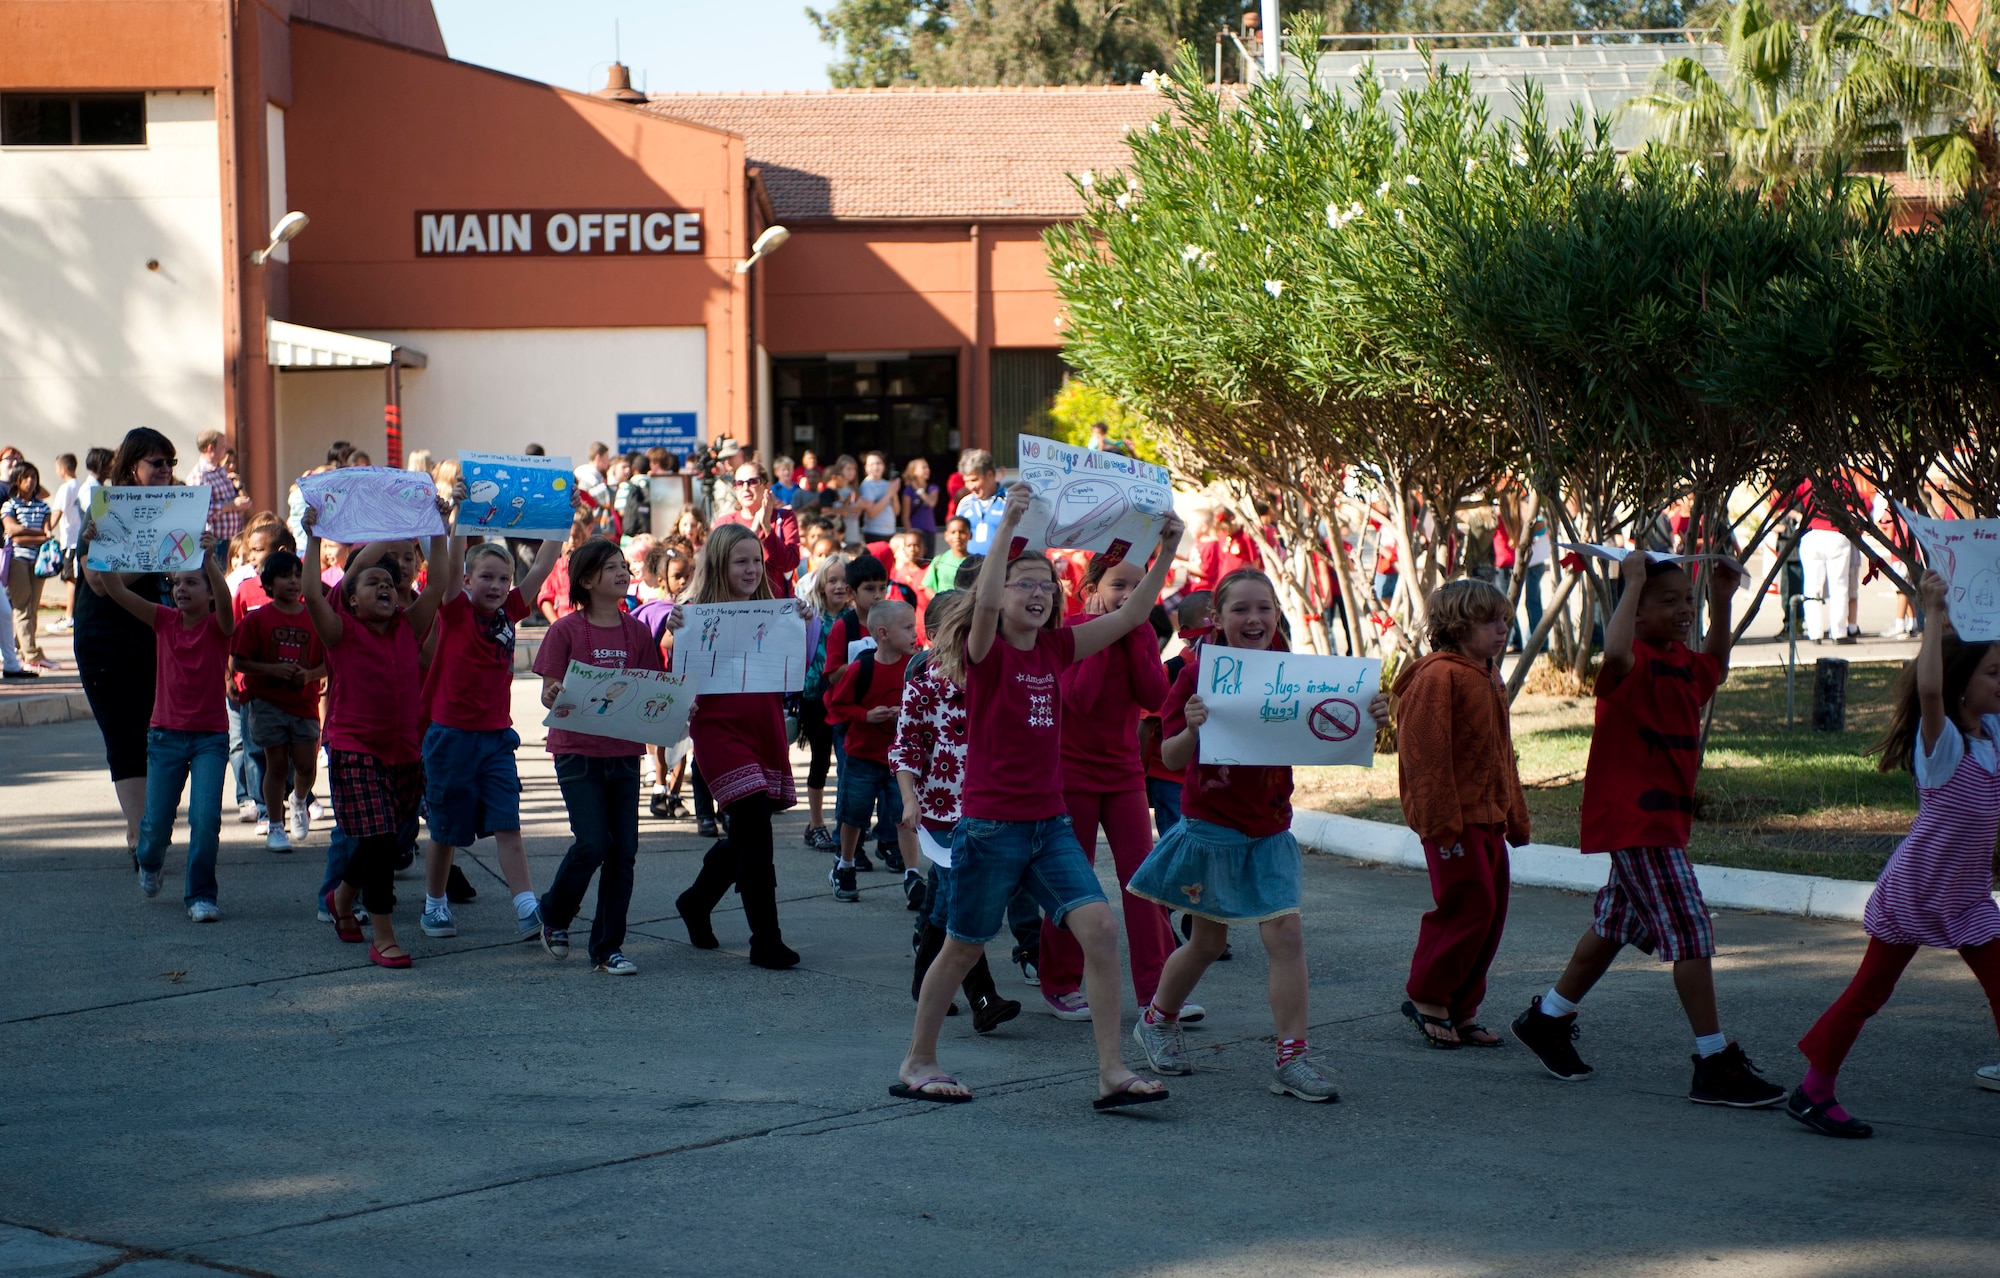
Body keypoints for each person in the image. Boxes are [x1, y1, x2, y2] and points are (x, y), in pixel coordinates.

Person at [892, 482, 1181, 1107]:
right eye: (1026, 582)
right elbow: (987, 602)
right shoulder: (986, 651)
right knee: (964, 946)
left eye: (1047, 584)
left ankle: (1111, 1072)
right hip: (992, 828)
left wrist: (1168, 550)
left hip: (1049, 824)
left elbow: (1131, 615)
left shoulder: (1057, 646)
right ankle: (918, 1061)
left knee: (1100, 929)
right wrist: (1009, 529)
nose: (1039, 590)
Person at [1508, 551, 1787, 1106]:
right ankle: (1713, 1061)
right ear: (1636, 613)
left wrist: (1722, 600)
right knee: (1691, 930)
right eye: (1670, 601)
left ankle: (1548, 1019)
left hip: (1662, 820)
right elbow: (1612, 647)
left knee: (1614, 925)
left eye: (1688, 599)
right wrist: (1630, 582)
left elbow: (1716, 665)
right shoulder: (1627, 662)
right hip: (1637, 820)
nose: (1685, 610)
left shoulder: (1683, 662)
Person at [1128, 570, 1389, 1103]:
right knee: (1207, 942)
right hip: (1212, 828)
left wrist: (1371, 716)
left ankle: (1291, 1059)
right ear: (1216, 619)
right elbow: (1170, 757)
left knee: (1286, 936)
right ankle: (1156, 1021)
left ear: (1276, 614)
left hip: (1271, 827)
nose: (1255, 620)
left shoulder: (1291, 669)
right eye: (1241, 610)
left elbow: (1327, 730)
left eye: (1264, 609)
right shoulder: (1197, 673)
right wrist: (1195, 726)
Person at [1788, 572, 2000, 1137]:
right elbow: (1928, 689)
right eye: (1994, 673)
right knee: (1868, 994)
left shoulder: (1994, 736)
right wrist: (1932, 612)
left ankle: (1812, 1089)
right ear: (1962, 685)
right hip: (1917, 891)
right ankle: (1813, 1091)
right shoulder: (1945, 745)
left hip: (1967, 896)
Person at [301, 510, 453, 968]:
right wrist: (312, 538)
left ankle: (341, 900)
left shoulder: (409, 627)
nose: (385, 585)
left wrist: (438, 529)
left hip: (405, 753)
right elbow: (311, 592)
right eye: (372, 582)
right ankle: (383, 936)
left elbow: (439, 583)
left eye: (389, 582)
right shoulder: (340, 632)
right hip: (355, 749)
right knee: (379, 840)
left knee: (382, 840)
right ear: (349, 599)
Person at [1036, 553, 1181, 1024]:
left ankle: (1156, 991)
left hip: (1124, 776)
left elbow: (1156, 698)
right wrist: (1106, 632)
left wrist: (1134, 630)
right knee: (1072, 883)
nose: (1130, 596)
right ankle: (1059, 983)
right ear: (1090, 587)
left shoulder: (1139, 631)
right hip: (1070, 774)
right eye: (1120, 585)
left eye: (1139, 588)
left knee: (1143, 880)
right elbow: (1076, 700)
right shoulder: (1071, 631)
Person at [1392, 579, 1529, 1049]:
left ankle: (1463, 1005)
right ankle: (1429, 998)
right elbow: (1424, 753)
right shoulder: (1437, 676)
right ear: (1456, 625)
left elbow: (1502, 753)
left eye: (1505, 620)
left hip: (1488, 815)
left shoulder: (1488, 673)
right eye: (1490, 621)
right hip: (1454, 819)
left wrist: (1515, 813)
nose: (1502, 629)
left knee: (1491, 913)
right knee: (1467, 907)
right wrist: (1440, 822)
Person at [668, 525, 809, 970]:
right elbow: (677, 678)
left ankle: (696, 900)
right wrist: (673, 628)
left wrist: (805, 621)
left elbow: (793, 670)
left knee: (747, 832)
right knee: (755, 832)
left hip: (763, 727)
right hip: (717, 732)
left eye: (756, 561)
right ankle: (765, 940)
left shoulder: (776, 610)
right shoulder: (692, 614)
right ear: (719, 566)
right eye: (740, 561)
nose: (751, 569)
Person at [419, 535, 563, 945]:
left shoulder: (512, 610)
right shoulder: (455, 610)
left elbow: (542, 567)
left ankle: (525, 905)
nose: (496, 585)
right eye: (486, 577)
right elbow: (445, 568)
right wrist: (459, 520)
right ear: (466, 579)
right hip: (450, 738)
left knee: (508, 824)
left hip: (497, 738)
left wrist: (560, 520)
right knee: (445, 830)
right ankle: (434, 903)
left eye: (503, 578)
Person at [894, 589, 1023, 1033]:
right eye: (964, 626)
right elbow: (906, 746)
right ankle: (982, 997)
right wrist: (910, 799)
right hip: (942, 813)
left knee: (948, 898)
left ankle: (924, 981)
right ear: (935, 634)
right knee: (960, 896)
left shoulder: (1000, 674)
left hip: (993, 805)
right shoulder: (925, 681)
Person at [87, 530, 232, 920]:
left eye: (192, 583)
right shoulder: (164, 620)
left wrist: (211, 561)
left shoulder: (220, 628)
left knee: (205, 821)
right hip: (166, 737)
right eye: (177, 583)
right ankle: (149, 861)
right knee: (155, 826)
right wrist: (101, 547)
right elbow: (117, 591)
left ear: (211, 593)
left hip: (210, 740)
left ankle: (201, 895)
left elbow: (229, 611)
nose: (181, 589)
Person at [531, 539, 659, 976]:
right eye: (611, 568)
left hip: (624, 754)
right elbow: (550, 691)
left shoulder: (638, 631)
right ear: (586, 580)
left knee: (623, 852)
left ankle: (607, 948)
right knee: (592, 843)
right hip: (577, 752)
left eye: (624, 566)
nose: (622, 573)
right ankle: (553, 912)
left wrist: (677, 707)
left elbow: (653, 691)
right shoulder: (564, 630)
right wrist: (552, 693)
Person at [74, 429, 180, 851]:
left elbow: (188, 568)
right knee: (124, 734)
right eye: (157, 463)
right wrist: (160, 551)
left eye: (170, 462)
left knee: (160, 732)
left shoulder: (177, 508)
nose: (166, 470)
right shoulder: (106, 509)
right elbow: (99, 582)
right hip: (106, 639)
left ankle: (147, 824)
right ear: (132, 467)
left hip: (160, 634)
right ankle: (141, 833)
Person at [229, 549, 325, 853]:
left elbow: (331, 661)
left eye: (298, 575)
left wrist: (310, 676)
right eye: (285, 576)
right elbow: (239, 660)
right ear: (268, 584)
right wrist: (272, 669)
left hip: (304, 703)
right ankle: (275, 825)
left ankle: (298, 799)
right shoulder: (258, 620)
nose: (294, 582)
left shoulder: (316, 618)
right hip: (267, 702)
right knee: (277, 764)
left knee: (306, 766)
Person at [825, 598, 919, 904]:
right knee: (854, 816)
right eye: (907, 628)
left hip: (899, 761)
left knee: (904, 817)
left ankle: (913, 875)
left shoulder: (914, 668)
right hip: (862, 757)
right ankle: (846, 866)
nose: (914, 634)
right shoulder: (861, 668)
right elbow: (836, 705)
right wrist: (866, 715)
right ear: (883, 633)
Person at [1141, 590, 1210, 838]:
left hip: (1211, 779)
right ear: (1187, 629)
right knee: (1178, 846)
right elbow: (1147, 726)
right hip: (1171, 780)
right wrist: (1139, 779)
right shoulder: (1171, 671)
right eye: (1210, 619)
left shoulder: (1232, 671)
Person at [796, 554, 850, 850]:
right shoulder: (811, 616)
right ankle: (815, 824)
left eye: (844, 580)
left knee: (848, 763)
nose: (839, 586)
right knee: (820, 761)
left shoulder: (855, 618)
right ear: (821, 586)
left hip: (846, 699)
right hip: (815, 698)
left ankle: (847, 822)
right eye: (833, 580)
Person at [712, 462, 801, 598]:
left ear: (767, 486)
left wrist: (767, 528)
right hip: (735, 607)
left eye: (752, 482)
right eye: (739, 483)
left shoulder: (784, 518)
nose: (746, 488)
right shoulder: (725, 523)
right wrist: (754, 529)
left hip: (776, 607)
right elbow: (716, 568)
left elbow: (790, 563)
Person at [3, 459, 56, 670]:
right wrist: (37, 535)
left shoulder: (42, 506)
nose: (30, 481)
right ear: (17, 480)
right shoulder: (10, 505)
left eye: (34, 477)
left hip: (38, 562)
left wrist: (27, 533)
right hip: (17, 560)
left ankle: (23, 646)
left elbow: (48, 533)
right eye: (26, 477)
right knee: (22, 607)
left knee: (33, 607)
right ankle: (31, 653)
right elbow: (12, 533)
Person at [188, 428, 252, 541]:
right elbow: (198, 511)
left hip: (232, 537)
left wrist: (240, 502)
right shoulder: (199, 475)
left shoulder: (220, 471)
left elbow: (230, 500)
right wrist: (231, 506)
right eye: (222, 446)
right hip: (216, 540)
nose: (225, 448)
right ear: (210, 448)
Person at [951, 451, 1007, 556]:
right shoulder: (964, 504)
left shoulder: (1010, 501)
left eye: (974, 480)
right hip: (970, 568)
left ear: (990, 475)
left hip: (1002, 569)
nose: (970, 486)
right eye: (966, 481)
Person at [922, 517, 972, 597]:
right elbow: (928, 587)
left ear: (970, 535)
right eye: (953, 532)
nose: (957, 536)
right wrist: (940, 604)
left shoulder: (976, 563)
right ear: (946, 536)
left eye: (962, 532)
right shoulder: (939, 560)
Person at [897, 457, 938, 551]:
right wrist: (909, 534)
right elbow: (905, 516)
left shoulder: (932, 488)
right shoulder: (908, 491)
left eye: (927, 467)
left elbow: (931, 502)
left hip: (929, 531)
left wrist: (919, 491)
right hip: (915, 531)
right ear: (914, 472)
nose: (927, 470)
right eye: (923, 468)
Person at [857, 451, 898, 543]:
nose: (875, 467)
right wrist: (888, 494)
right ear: (866, 468)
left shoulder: (887, 484)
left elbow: (896, 511)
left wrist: (894, 494)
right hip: (874, 532)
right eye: (871, 464)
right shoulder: (867, 484)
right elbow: (871, 513)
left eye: (878, 463)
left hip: (890, 531)